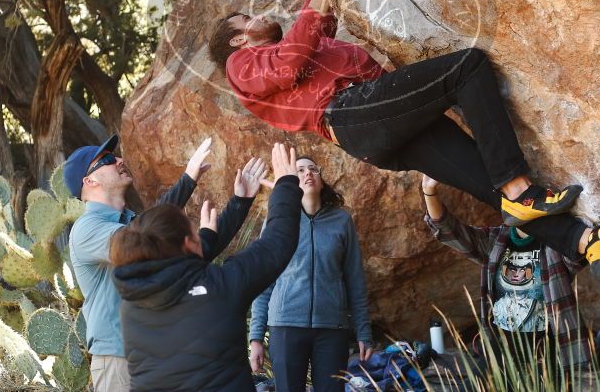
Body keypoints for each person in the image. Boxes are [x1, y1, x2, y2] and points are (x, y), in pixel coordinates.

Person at [207, 0, 600, 279]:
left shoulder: (285, 52)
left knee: (482, 179)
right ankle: (521, 190)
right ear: (238, 42)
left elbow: (314, 37)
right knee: (468, 67)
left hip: (374, 126)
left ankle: (587, 242)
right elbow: (290, 61)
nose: (260, 14)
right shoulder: (239, 67)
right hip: (353, 112)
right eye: (247, 19)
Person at [66, 135, 261, 392]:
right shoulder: (87, 230)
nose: (120, 160)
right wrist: (188, 179)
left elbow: (195, 255)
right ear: (89, 181)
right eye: (108, 159)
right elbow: (139, 237)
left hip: (159, 356)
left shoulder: (133, 221)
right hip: (119, 360)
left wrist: (240, 201)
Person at [110, 143, 302, 392]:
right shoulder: (220, 287)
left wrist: (238, 205)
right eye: (196, 232)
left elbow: (182, 276)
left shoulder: (133, 304)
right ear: (188, 244)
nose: (200, 234)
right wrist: (287, 184)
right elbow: (276, 244)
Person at [419, 173, 600, 376]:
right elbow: (449, 231)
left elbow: (579, 254)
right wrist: (429, 191)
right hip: (501, 345)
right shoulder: (495, 241)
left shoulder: (557, 245)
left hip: (547, 347)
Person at [249, 156, 372, 392]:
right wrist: (256, 337)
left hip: (331, 329)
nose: (308, 174)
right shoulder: (278, 221)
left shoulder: (342, 221)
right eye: (300, 170)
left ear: (321, 180)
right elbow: (262, 281)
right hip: (285, 325)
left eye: (313, 169)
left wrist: (364, 332)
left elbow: (355, 280)